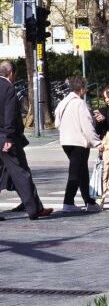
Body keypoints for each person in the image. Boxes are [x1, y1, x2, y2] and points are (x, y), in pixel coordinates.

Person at [0, 61, 53, 220]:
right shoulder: (8, 88)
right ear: (11, 73)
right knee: (22, 173)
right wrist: (9, 137)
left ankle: (36, 207)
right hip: (6, 138)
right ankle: (34, 208)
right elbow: (10, 115)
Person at [53, 77, 104, 213]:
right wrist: (97, 142)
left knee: (81, 171)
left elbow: (57, 123)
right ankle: (68, 202)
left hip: (66, 141)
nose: (86, 90)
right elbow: (86, 125)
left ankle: (89, 201)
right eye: (85, 88)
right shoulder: (80, 104)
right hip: (78, 142)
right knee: (76, 173)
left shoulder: (63, 102)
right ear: (81, 89)